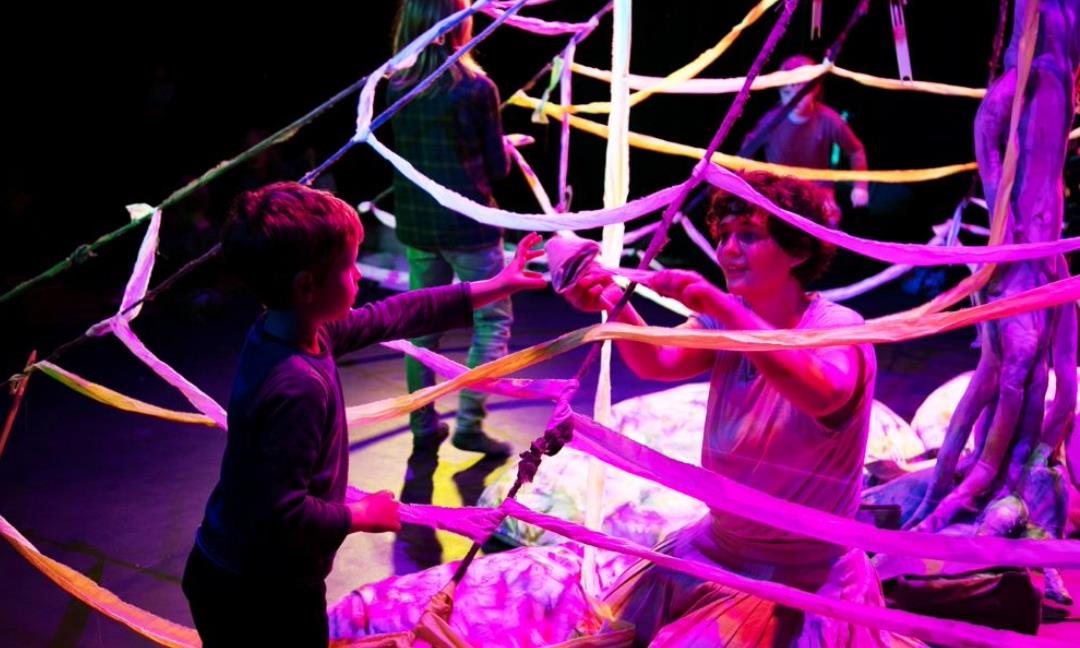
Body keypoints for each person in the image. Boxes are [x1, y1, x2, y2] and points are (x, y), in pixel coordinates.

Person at [182, 181, 545, 646]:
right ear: (307, 286)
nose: (358, 275)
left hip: (245, 572)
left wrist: (494, 286)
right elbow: (281, 514)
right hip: (257, 594)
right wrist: (359, 514)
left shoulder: (294, 329)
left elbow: (396, 314)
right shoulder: (297, 385)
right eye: (348, 266)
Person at [565, 172, 914, 646]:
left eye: (748, 235)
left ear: (797, 250)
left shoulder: (837, 328)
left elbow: (825, 395)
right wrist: (610, 300)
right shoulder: (721, 321)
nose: (728, 250)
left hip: (800, 579)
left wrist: (723, 307)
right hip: (719, 549)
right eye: (724, 235)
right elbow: (656, 360)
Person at [388, 0, 516, 457]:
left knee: (422, 328)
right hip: (469, 228)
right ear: (457, 22)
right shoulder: (477, 88)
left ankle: (423, 425)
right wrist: (504, 147)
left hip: (420, 227)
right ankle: (469, 424)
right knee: (492, 321)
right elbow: (497, 168)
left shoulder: (395, 85)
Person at [742, 54, 870, 217]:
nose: (794, 99)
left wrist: (860, 187)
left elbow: (856, 150)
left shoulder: (828, 118)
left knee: (829, 223)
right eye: (787, 92)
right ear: (779, 91)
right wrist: (749, 186)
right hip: (779, 190)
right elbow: (745, 154)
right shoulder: (771, 121)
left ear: (815, 89)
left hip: (819, 190)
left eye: (801, 93)